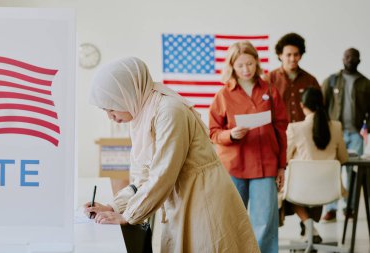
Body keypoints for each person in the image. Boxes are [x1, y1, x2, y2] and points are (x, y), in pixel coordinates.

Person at [84, 57, 260, 253]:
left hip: (203, 200)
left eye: (111, 107)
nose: (110, 116)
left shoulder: (169, 111)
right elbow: (144, 176)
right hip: (182, 200)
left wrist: (130, 215)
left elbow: (163, 174)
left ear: (127, 94)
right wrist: (114, 206)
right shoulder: (143, 114)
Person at [209, 41, 288, 253]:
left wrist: (282, 166)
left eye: (250, 64)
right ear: (232, 66)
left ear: (257, 63)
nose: (246, 69)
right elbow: (212, 132)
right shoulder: (223, 95)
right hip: (234, 166)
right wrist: (231, 135)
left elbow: (281, 130)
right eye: (241, 65)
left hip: (265, 166)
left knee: (265, 224)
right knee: (233, 221)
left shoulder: (270, 91)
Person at [286, 87, 349, 242]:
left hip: (300, 189)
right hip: (328, 189)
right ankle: (310, 229)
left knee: (284, 190)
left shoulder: (295, 128)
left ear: (302, 105)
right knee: (314, 188)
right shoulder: (336, 126)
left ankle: (307, 225)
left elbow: (285, 158)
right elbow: (344, 158)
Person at [321, 48, 370, 222]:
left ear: (359, 60)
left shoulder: (366, 83)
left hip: (356, 134)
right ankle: (331, 208)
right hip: (334, 134)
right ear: (343, 59)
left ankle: (350, 208)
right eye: (347, 56)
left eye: (354, 57)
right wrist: (324, 128)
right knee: (333, 170)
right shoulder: (332, 80)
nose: (350, 59)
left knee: (353, 172)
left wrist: (367, 128)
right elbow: (321, 106)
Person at [267, 32, 320, 123]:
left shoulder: (310, 80)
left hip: (304, 132)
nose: (292, 59)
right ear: (280, 55)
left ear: (300, 55)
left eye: (296, 54)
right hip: (281, 133)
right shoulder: (270, 78)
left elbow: (318, 108)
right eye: (288, 55)